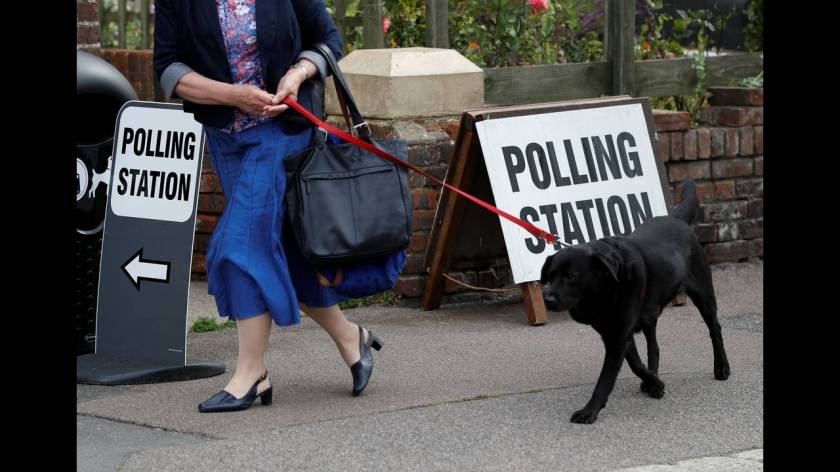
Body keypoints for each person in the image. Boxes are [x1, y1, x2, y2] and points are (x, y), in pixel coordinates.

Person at [153, 0, 383, 413]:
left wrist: (296, 74)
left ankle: (251, 374)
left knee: (241, 244)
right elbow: (169, 69)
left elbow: (328, 40)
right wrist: (233, 96)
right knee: (283, 254)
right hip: (227, 139)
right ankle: (352, 338)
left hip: (283, 133)